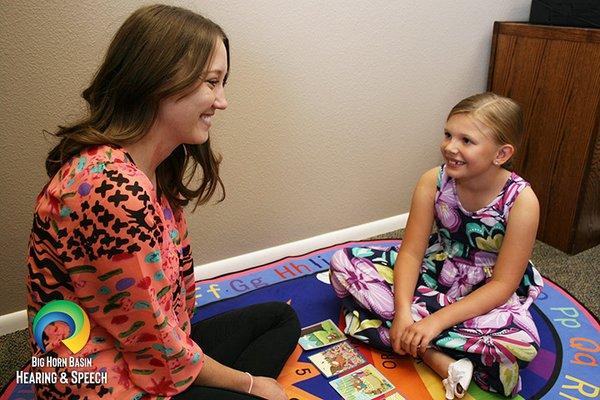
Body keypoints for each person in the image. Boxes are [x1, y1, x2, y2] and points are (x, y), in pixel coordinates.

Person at [26, 5, 299, 400]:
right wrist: (251, 383)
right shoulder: (111, 188)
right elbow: (154, 349)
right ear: (158, 80)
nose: (221, 101)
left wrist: (199, 358)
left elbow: (171, 309)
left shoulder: (152, 166)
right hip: (100, 383)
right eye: (211, 82)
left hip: (148, 350)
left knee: (281, 318)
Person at [329, 92, 544, 399]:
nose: (450, 147)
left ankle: (409, 337)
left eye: (466, 141)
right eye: (448, 135)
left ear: (501, 153)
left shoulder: (522, 202)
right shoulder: (433, 180)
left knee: (521, 344)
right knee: (343, 262)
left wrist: (434, 322)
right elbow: (412, 252)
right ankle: (434, 355)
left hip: (485, 292)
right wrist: (403, 311)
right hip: (435, 273)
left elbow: (503, 284)